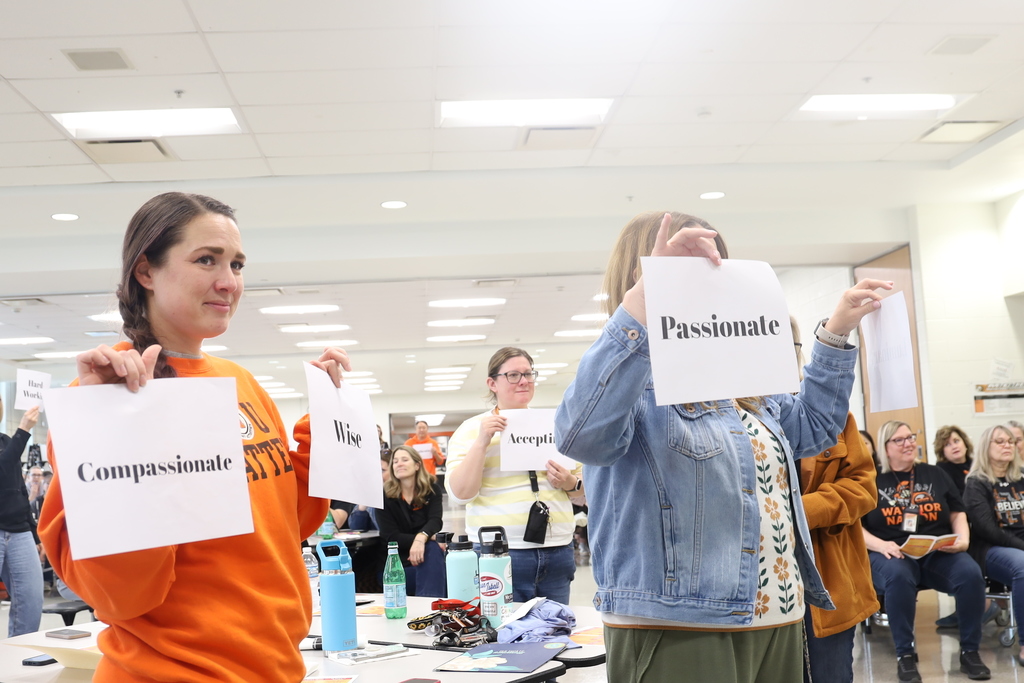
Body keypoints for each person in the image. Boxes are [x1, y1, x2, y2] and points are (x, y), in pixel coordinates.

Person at [553, 210, 889, 683]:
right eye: (686, 265)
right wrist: (650, 295)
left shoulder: (742, 375)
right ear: (638, 273)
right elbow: (582, 436)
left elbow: (812, 431)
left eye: (715, 264)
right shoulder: (631, 375)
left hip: (777, 613)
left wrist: (836, 332)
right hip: (678, 620)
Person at [38, 192, 350, 682]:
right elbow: (118, 592)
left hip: (274, 666)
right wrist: (112, 429)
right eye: (207, 260)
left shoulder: (240, 382)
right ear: (146, 272)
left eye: (237, 264)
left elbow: (286, 524)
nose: (229, 282)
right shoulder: (106, 396)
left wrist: (324, 421)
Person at [447, 347, 584, 604]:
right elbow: (460, 494)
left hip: (557, 549)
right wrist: (482, 442)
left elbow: (582, 491)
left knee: (554, 633)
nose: (523, 381)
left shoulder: (555, 424)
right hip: (499, 553)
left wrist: (570, 482)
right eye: (513, 375)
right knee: (503, 635)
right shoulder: (471, 430)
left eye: (528, 374)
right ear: (492, 383)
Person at [861, 420, 991, 682]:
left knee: (970, 574)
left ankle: (969, 651)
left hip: (935, 550)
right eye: (900, 440)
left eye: (910, 437)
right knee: (898, 577)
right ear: (886, 448)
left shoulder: (935, 473)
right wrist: (881, 545)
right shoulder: (871, 480)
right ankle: (905, 655)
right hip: (890, 551)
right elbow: (854, 526)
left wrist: (963, 540)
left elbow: (956, 511)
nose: (909, 443)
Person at [791, 319, 879, 683]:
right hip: (761, 587)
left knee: (831, 674)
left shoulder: (832, 414)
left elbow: (863, 487)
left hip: (831, 581)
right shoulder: (733, 417)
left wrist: (802, 511)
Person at [963, 424, 1024, 667]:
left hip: (1017, 545)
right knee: (1022, 566)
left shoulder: (1021, 478)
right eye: (999, 441)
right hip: (991, 549)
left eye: (1010, 441)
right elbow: (988, 529)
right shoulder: (977, 483)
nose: (1007, 445)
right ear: (985, 448)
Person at [377, 445, 445, 596]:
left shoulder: (432, 489)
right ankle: (432, 607)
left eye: (404, 459)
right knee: (433, 547)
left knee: (434, 549)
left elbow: (435, 521)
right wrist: (425, 537)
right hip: (396, 563)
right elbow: (390, 536)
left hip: (426, 558)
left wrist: (421, 539)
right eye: (395, 461)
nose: (399, 463)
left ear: (417, 465)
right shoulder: (384, 495)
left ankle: (429, 609)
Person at [0, 403, 43, 636]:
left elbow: (19, 488)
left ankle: (19, 657)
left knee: (31, 601)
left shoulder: (7, 441)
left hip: (19, 532)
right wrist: (24, 430)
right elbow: (2, 469)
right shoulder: (13, 442)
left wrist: (34, 533)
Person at [935, 425, 974, 495]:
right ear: (942, 451)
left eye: (956, 441)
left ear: (965, 443)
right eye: (947, 444)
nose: (954, 447)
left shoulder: (977, 464)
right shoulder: (940, 471)